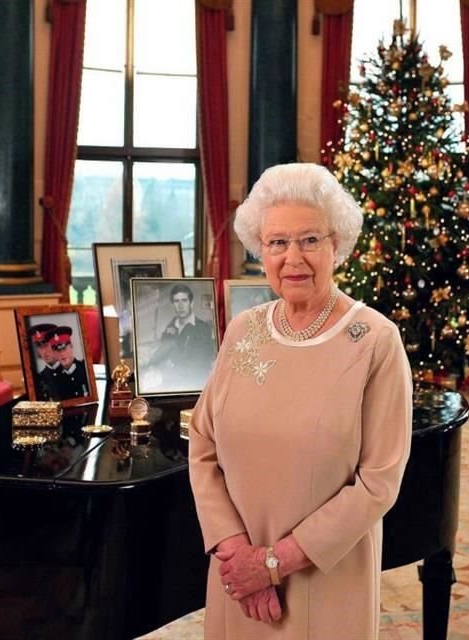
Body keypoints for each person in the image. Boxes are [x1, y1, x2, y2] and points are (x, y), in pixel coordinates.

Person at [188, 162, 413, 639]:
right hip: (236, 579)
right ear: (260, 251)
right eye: (277, 243)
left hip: (324, 579)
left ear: (337, 246)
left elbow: (378, 483)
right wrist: (236, 554)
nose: (293, 258)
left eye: (310, 240)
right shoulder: (245, 329)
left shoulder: (375, 340)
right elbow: (203, 443)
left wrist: (271, 564)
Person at [144, 283, 217, 390]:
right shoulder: (172, 324)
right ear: (173, 305)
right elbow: (163, 350)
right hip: (170, 381)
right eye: (176, 301)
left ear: (191, 303)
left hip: (193, 385)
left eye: (184, 300)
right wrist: (151, 364)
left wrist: (163, 373)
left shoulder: (203, 329)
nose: (180, 305)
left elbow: (198, 365)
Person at [49, 326, 90, 399]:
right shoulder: (54, 379)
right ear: (54, 353)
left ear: (71, 346)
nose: (62, 354)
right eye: (57, 350)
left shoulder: (86, 368)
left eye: (64, 348)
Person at [29, 323, 60, 401]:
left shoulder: (77, 369)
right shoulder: (39, 378)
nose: (44, 351)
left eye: (46, 344)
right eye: (39, 345)